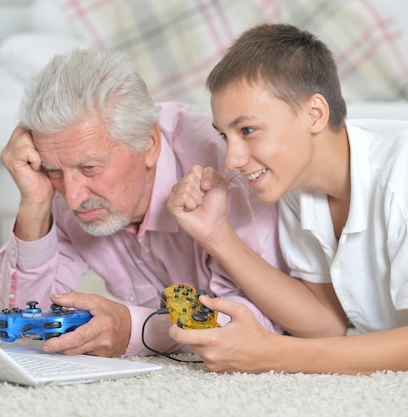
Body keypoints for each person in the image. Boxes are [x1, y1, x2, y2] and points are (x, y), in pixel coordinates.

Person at [0, 47, 287, 358]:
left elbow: (258, 322)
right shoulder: (63, 176)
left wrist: (137, 329)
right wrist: (35, 204)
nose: (73, 196)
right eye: (54, 170)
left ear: (149, 144)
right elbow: (25, 325)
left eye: (89, 168)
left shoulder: (230, 167)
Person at [166, 23, 408, 374]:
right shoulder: (298, 184)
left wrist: (275, 354)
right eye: (225, 136)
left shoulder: (400, 176)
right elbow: (325, 324)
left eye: (247, 130)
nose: (232, 159)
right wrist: (215, 235)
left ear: (315, 114)